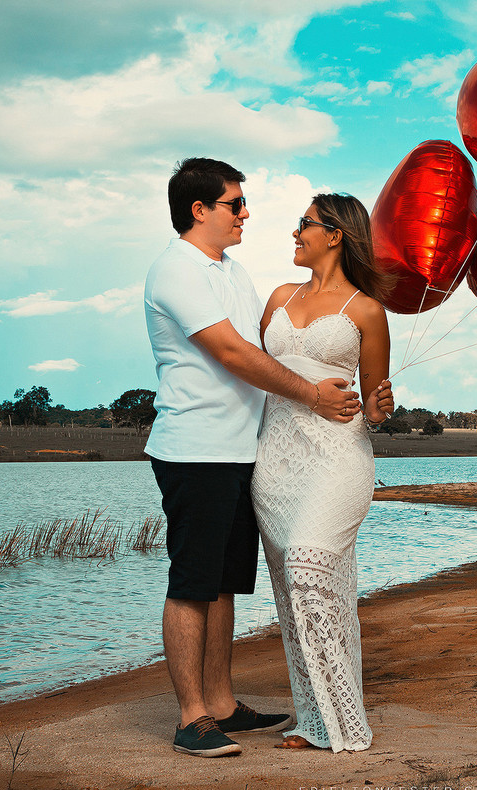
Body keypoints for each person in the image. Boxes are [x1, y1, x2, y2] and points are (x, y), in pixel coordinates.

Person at [144, 159, 362, 758]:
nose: (246, 214)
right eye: (235, 204)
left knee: (224, 584)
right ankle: (192, 717)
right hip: (196, 450)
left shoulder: (234, 272)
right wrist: (312, 394)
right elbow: (234, 354)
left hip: (245, 451)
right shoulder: (174, 270)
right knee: (193, 582)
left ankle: (221, 703)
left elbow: (267, 346)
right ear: (199, 210)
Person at [252, 193, 395, 752]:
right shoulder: (277, 299)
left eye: (304, 224)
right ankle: (314, 719)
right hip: (277, 461)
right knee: (295, 592)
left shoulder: (365, 310)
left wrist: (382, 407)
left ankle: (346, 724)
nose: (295, 233)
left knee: (312, 566)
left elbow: (376, 407)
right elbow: (256, 370)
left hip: (338, 457)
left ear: (334, 234)